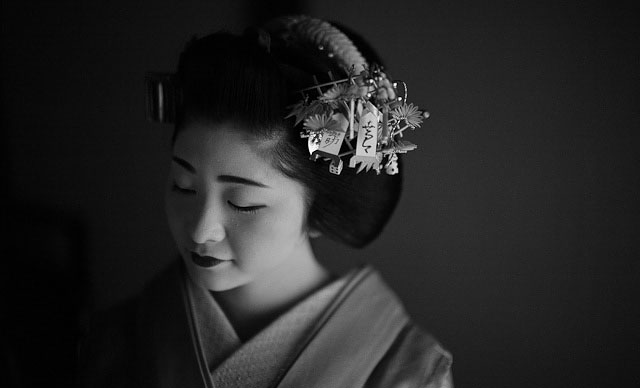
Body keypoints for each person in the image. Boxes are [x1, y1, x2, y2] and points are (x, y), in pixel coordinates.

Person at [79, 15, 453, 388]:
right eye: (183, 185)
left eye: (242, 203)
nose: (200, 228)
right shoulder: (121, 339)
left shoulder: (407, 370)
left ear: (318, 208)